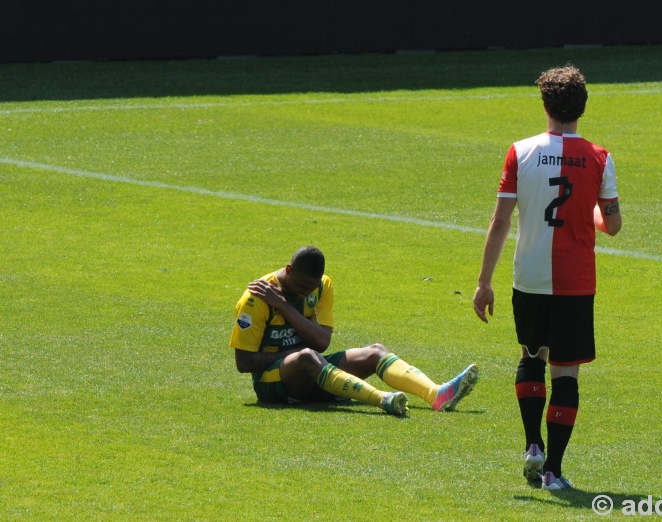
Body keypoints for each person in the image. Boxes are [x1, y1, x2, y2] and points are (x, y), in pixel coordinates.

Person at [472, 65, 622, 490]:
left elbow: (501, 222)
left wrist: (484, 281)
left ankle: (533, 445)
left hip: (530, 277)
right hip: (576, 281)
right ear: (583, 107)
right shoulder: (599, 157)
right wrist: (590, 209)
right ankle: (553, 471)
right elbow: (612, 224)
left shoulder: (520, 152)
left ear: (545, 106)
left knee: (531, 355)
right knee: (566, 373)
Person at [230, 245, 479, 416]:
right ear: (289, 270)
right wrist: (295, 354)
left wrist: (284, 306)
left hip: (314, 369)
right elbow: (244, 362)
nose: (305, 293)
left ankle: (437, 394)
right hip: (273, 385)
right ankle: (383, 400)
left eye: (311, 288)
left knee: (375, 352)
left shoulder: (321, 286)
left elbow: (322, 341)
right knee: (306, 357)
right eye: (301, 286)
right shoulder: (256, 300)